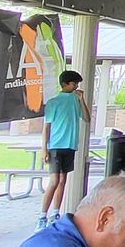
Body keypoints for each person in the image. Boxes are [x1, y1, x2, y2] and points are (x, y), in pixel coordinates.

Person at [41, 69, 89, 221]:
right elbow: (46, 127)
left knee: (62, 180)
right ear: (64, 84)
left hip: (70, 145)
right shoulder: (53, 102)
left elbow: (87, 118)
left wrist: (82, 100)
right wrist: (44, 149)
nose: (76, 87)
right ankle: (42, 215)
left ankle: (55, 212)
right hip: (55, 145)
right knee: (54, 180)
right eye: (73, 83)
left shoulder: (76, 100)